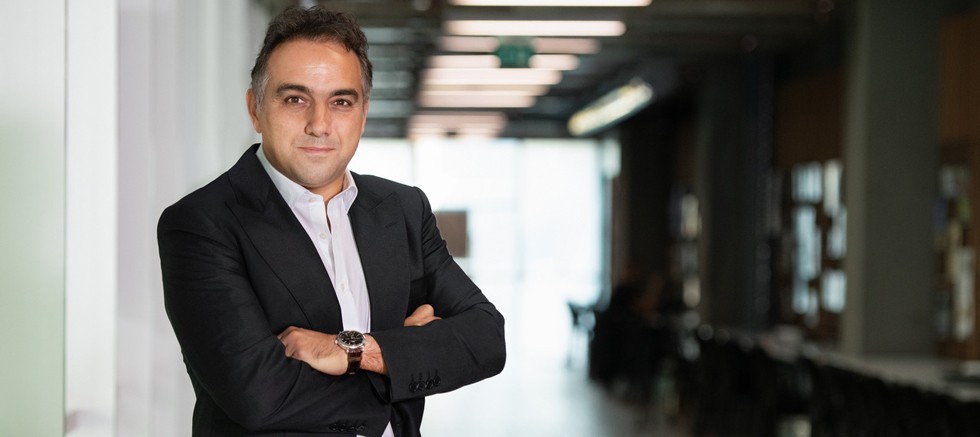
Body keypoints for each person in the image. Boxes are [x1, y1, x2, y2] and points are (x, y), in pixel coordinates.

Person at [157, 6, 506, 436]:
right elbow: (259, 396)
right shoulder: (201, 223)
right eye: (295, 99)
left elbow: (486, 338)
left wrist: (358, 351)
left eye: (341, 102)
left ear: (362, 114)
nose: (319, 124)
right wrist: (406, 359)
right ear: (255, 109)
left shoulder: (402, 209)